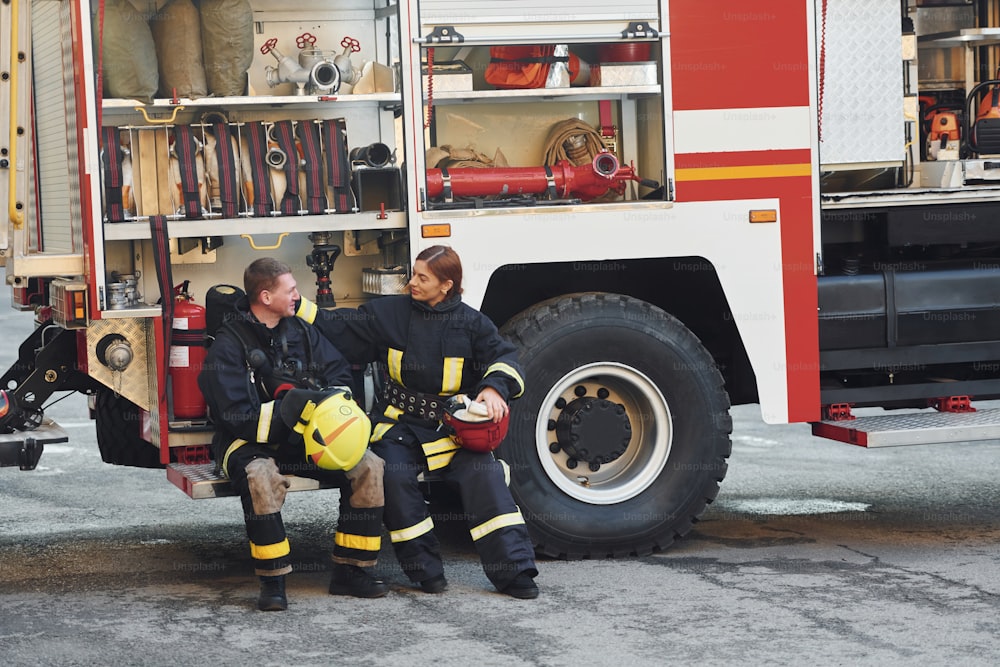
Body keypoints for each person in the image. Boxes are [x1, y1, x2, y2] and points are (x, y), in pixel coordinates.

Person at [297, 245, 539, 599]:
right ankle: (425, 572)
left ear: (446, 285)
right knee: (392, 476)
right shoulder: (389, 313)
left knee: (485, 477)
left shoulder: (473, 324)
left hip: (453, 431)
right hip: (398, 426)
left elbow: (506, 358)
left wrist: (494, 389)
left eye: (422, 277)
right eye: (413, 273)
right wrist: (297, 304)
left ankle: (514, 572)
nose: (412, 282)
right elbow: (341, 327)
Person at [198, 257, 388, 611]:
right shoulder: (228, 345)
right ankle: (273, 581)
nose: (298, 296)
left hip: (306, 440)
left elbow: (342, 376)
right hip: (248, 443)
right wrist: (294, 414)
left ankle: (352, 571)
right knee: (260, 476)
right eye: (292, 290)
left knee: (369, 466)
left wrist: (327, 407)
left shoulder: (301, 330)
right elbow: (236, 415)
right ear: (266, 297)